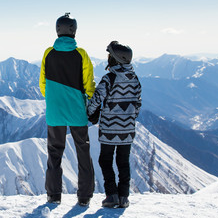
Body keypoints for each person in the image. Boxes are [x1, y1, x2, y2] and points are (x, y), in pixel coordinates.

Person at [39, 13, 96, 206]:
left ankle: (53, 195)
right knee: (83, 151)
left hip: (54, 111)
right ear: (74, 30)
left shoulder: (48, 53)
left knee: (54, 152)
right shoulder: (81, 54)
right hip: (77, 110)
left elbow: (42, 84)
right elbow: (89, 85)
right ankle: (84, 196)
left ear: (57, 30)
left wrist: (54, 98)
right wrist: (86, 100)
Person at [87, 41, 142, 208]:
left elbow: (96, 100)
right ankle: (124, 196)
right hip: (128, 129)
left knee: (105, 161)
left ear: (116, 60)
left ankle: (111, 195)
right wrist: (129, 119)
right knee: (123, 162)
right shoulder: (135, 79)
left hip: (109, 128)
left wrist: (90, 113)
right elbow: (138, 103)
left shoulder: (109, 78)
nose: (108, 59)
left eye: (110, 56)